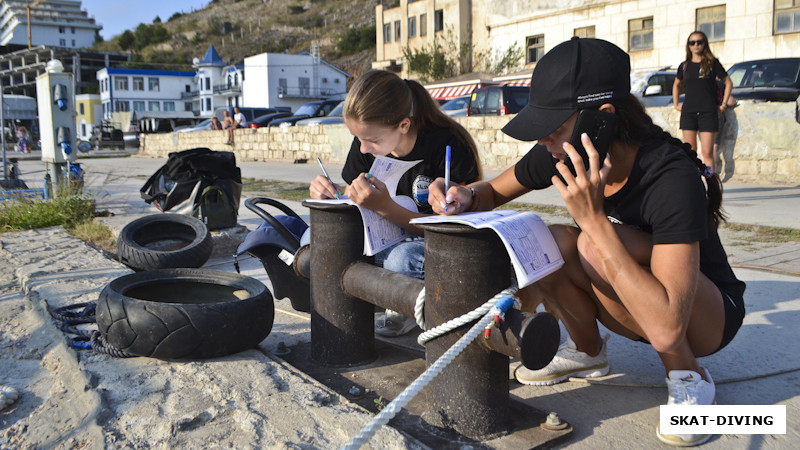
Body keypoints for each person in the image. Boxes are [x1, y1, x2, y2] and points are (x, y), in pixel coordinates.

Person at [428, 37, 745, 447]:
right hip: (638, 301)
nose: (543, 141)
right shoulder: (563, 150)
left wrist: (593, 219)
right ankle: (588, 350)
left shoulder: (669, 175)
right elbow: (490, 193)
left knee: (591, 244)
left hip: (701, 315)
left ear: (602, 118)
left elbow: (668, 328)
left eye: (553, 129)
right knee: (549, 240)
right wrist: (462, 194)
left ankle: (689, 376)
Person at [309, 69, 482, 336]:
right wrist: (333, 196)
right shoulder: (367, 143)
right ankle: (375, 297)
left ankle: (409, 304)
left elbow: (455, 233)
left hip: (435, 245)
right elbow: (351, 199)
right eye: (358, 139)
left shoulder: (447, 144)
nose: (363, 148)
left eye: (372, 140)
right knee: (314, 237)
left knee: (401, 261)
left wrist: (385, 207)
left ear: (403, 125)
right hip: (383, 241)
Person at [673, 31, 733, 175]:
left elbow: (728, 82)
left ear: (704, 43)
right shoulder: (684, 66)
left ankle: (710, 184)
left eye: (699, 42)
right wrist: (676, 104)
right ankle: (695, 184)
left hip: (708, 112)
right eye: (692, 42)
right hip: (689, 112)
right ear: (688, 46)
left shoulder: (712, 63)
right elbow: (676, 84)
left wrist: (723, 104)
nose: (696, 45)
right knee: (690, 152)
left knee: (707, 153)